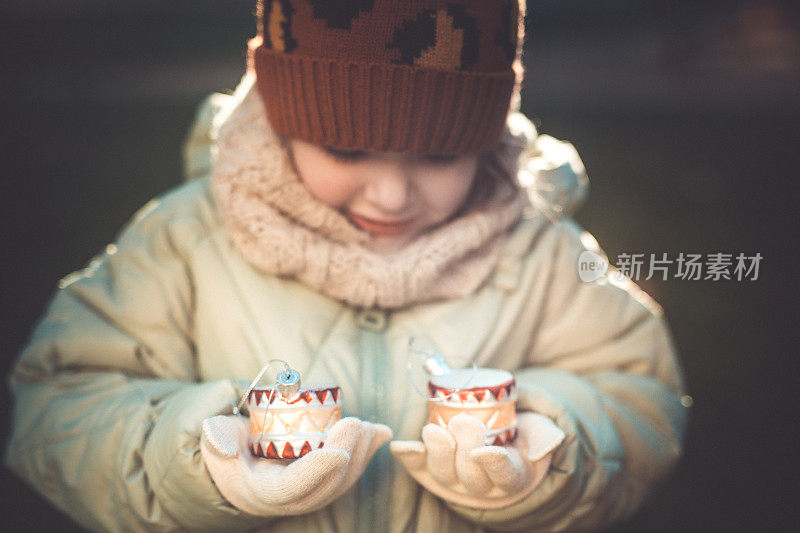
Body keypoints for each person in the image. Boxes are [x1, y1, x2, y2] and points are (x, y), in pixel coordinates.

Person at [5, 1, 689, 531]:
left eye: (438, 156)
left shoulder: (540, 247)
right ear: (282, 120)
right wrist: (197, 463)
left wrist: (550, 447)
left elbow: (636, 393)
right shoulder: (187, 239)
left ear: (487, 139)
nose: (391, 195)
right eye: (345, 149)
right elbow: (58, 399)